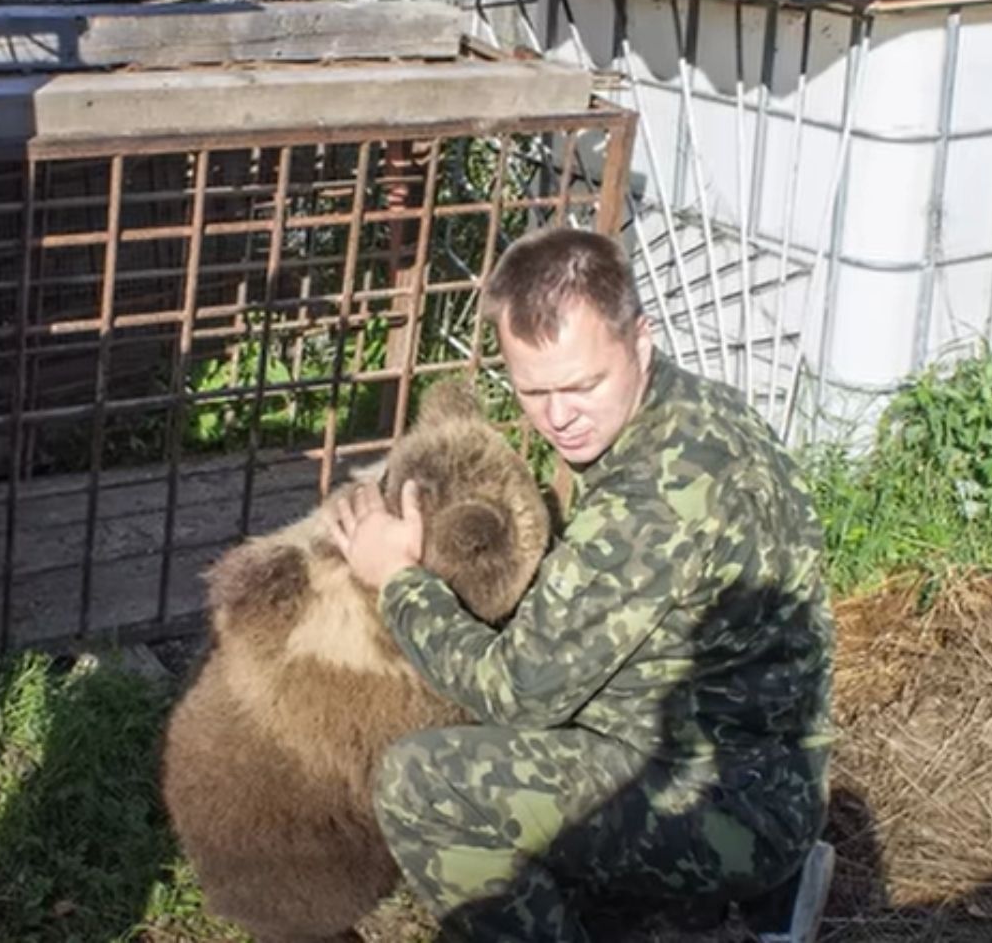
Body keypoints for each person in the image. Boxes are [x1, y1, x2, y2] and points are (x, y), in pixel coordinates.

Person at [328, 228, 835, 941]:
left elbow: (518, 692)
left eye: (582, 385)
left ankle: (731, 885)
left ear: (642, 341)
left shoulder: (654, 495)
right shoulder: (700, 413)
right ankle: (703, 911)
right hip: (757, 761)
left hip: (729, 802)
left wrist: (400, 582)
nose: (559, 416)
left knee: (425, 782)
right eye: (534, 391)